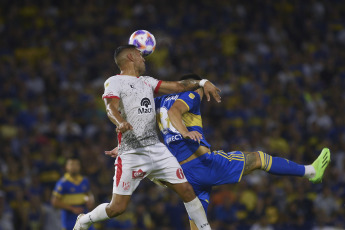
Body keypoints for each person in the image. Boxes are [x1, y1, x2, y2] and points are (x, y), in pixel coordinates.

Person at [107, 73, 331, 230]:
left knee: (198, 222)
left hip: (182, 174)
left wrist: (125, 146)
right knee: (259, 158)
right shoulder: (191, 94)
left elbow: (137, 119)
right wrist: (185, 131)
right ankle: (310, 172)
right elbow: (176, 111)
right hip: (202, 163)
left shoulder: (158, 101)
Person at [73, 45, 221, 230]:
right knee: (117, 208)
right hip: (132, 154)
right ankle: (84, 220)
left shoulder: (147, 82)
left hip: (156, 149)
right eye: (140, 56)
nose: (144, 59)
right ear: (130, 57)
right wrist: (120, 122)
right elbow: (111, 107)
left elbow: (177, 86)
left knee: (187, 191)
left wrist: (202, 82)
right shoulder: (114, 81)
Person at [52, 157, 95, 230]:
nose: (74, 167)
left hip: (84, 214)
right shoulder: (63, 182)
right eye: (72, 164)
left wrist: (90, 201)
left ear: (79, 166)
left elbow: (88, 195)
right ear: (66, 167)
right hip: (69, 218)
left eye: (76, 164)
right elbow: (55, 202)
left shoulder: (85, 181)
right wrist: (72, 209)